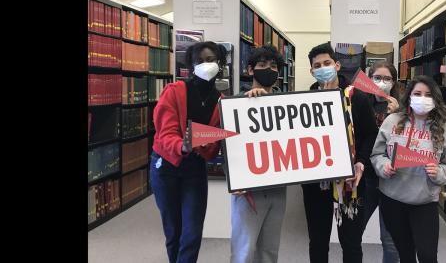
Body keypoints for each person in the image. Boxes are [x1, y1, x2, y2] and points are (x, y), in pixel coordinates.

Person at [301, 42, 378, 263]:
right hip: (315, 184)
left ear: (336, 65)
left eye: (327, 63)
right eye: (317, 65)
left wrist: (361, 162)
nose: (322, 68)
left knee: (351, 242)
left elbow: (371, 134)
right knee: (317, 241)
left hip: (350, 182)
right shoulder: (303, 102)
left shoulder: (357, 98)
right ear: (312, 71)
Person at [150, 41, 226, 263]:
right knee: (174, 231)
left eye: (211, 60)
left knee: (192, 232)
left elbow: (212, 151)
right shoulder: (174, 91)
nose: (206, 65)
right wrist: (181, 145)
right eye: (200, 61)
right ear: (191, 66)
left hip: (195, 169)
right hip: (166, 167)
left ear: (219, 64)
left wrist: (207, 145)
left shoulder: (221, 102)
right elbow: (164, 133)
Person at [370, 75, 446, 263]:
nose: (423, 98)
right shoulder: (392, 121)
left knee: (428, 256)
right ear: (409, 96)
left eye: (428, 95)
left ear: (435, 99)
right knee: (405, 254)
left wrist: (438, 172)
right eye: (417, 93)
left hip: (424, 201)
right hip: (392, 199)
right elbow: (377, 155)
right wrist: (383, 166)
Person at [230, 45, 287, 263]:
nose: (269, 70)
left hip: (277, 189)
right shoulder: (236, 103)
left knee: (270, 251)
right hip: (248, 192)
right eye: (262, 65)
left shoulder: (287, 103)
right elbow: (229, 146)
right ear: (250, 70)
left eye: (273, 67)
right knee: (244, 251)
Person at [361, 61, 401, 263]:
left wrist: (397, 116)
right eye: (377, 77)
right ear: (369, 79)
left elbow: (409, 144)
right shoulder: (360, 103)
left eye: (387, 78)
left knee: (390, 240)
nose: (382, 82)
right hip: (366, 178)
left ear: (394, 82)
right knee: (354, 231)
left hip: (391, 180)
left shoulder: (403, 109)